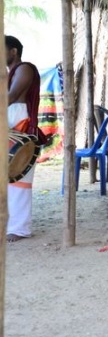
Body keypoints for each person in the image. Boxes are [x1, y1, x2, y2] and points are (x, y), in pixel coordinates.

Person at [6, 35, 47, 243]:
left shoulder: (24, 68)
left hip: (20, 125)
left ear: (13, 51)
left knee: (19, 180)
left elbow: (10, 97)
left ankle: (19, 229)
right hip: (11, 122)